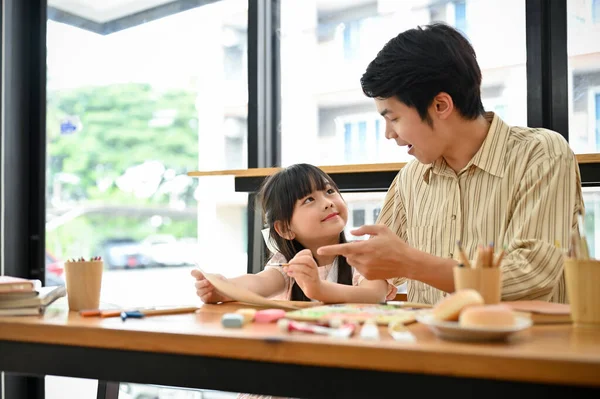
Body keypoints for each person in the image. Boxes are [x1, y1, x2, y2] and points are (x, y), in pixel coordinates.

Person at [317, 22, 584, 305]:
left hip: (526, 346)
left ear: (441, 105)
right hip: (431, 343)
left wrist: (411, 263)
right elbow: (380, 272)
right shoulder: (411, 178)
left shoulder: (542, 154)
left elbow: (533, 275)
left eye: (393, 118)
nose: (389, 134)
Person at [191, 163, 397, 304]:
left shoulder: (362, 254)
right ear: (285, 229)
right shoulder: (289, 264)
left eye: (329, 191)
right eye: (309, 200)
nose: (327, 203)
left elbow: (374, 295)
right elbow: (259, 283)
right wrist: (222, 288)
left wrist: (318, 289)